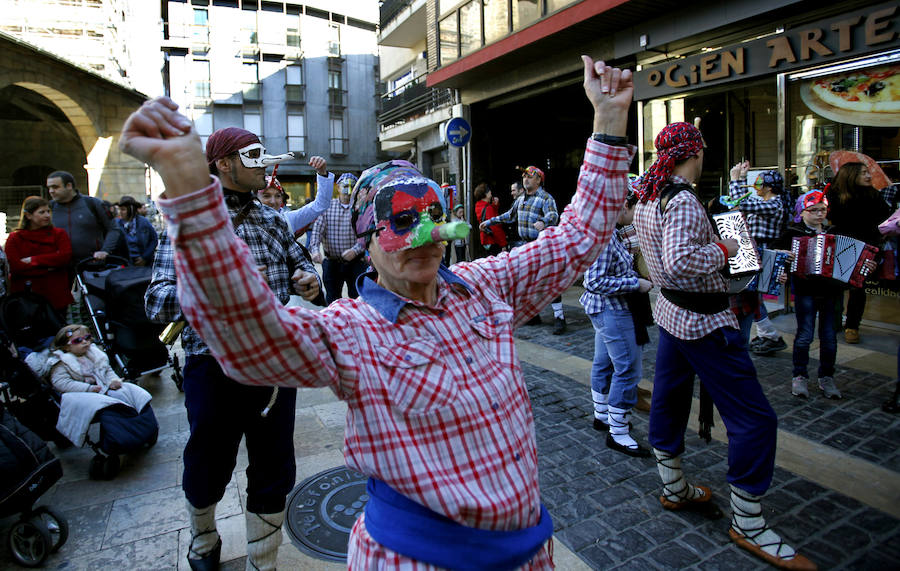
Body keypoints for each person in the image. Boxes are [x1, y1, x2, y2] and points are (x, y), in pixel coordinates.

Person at [120, 55, 633, 571]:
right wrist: (191, 192)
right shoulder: (352, 330)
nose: (425, 236)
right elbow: (251, 336)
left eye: (436, 217)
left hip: (528, 554)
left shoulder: (485, 288)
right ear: (368, 241)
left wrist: (608, 123)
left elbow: (578, 237)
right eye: (401, 221)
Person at [632, 121, 815, 570]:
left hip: (671, 315)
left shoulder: (649, 195)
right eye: (702, 152)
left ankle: (673, 486)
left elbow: (652, 253)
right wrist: (726, 248)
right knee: (754, 418)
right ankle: (748, 523)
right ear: (692, 154)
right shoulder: (685, 201)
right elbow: (679, 264)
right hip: (705, 321)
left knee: (669, 400)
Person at [145, 126, 324, 571]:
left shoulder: (269, 218)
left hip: (275, 361)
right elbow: (155, 299)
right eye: (253, 155)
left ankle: (263, 562)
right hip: (213, 362)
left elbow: (302, 264)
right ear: (224, 164)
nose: (263, 163)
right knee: (207, 461)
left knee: (275, 464)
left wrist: (311, 281)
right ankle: (204, 541)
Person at [774, 190, 874, 400]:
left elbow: (855, 258)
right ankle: (799, 375)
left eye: (822, 210)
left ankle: (826, 376)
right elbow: (775, 258)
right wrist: (783, 262)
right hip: (805, 291)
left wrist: (866, 265)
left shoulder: (835, 233)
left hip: (831, 292)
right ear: (801, 212)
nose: (819, 214)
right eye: (813, 210)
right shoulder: (792, 234)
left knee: (829, 338)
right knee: (804, 336)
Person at [580, 190, 653, 457]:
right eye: (633, 209)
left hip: (607, 310)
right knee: (628, 368)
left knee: (604, 362)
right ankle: (618, 432)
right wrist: (636, 283)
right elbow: (594, 281)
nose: (634, 216)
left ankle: (603, 415)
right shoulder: (606, 235)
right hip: (612, 309)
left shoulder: (608, 231)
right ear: (622, 205)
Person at [480, 165, 567, 334]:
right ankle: (534, 315)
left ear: (539, 179)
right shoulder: (520, 200)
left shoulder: (545, 198)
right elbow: (509, 215)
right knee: (529, 281)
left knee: (550, 281)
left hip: (542, 245)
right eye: (524, 177)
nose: (525, 179)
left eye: (529, 176)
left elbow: (554, 215)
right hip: (525, 246)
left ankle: (559, 317)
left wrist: (544, 222)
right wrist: (490, 221)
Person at [728, 163, 791, 355]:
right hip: (755, 251)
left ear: (769, 187)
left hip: (762, 252)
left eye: (759, 183)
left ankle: (770, 335)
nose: (756, 185)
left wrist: (736, 180)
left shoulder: (774, 203)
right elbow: (739, 206)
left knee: (752, 296)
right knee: (753, 297)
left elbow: (743, 203)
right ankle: (769, 334)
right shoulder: (769, 203)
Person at [826, 161, 892, 344]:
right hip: (840, 246)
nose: (868, 176)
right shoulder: (833, 194)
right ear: (851, 175)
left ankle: (852, 326)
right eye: (864, 173)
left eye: (868, 172)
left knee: (858, 288)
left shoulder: (874, 195)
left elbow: (885, 221)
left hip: (867, 247)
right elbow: (827, 218)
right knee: (835, 286)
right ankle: (834, 320)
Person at [5, 196, 73, 316]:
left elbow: (64, 257)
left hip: (55, 293)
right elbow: (16, 267)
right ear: (29, 215)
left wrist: (33, 260)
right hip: (27, 296)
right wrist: (50, 267)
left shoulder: (59, 234)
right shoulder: (15, 238)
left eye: (48, 211)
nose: (47, 215)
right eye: (41, 212)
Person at [309, 172, 367, 304]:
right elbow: (317, 231)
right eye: (345, 185)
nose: (348, 189)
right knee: (332, 297)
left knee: (358, 298)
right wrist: (315, 250)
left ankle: (358, 322)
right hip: (332, 262)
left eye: (352, 186)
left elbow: (365, 234)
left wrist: (356, 250)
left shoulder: (360, 208)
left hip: (356, 262)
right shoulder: (327, 207)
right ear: (338, 187)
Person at [47, 170, 124, 265]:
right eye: (49, 187)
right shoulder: (49, 208)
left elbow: (113, 229)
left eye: (55, 187)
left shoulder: (93, 204)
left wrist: (105, 250)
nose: (51, 191)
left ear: (69, 186)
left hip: (92, 264)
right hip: (61, 266)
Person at [116, 196, 158, 267]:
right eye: (120, 210)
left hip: (145, 263)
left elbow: (154, 240)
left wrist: (144, 258)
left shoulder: (143, 222)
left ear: (131, 210)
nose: (120, 212)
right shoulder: (117, 225)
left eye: (123, 210)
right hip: (126, 264)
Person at [474, 183, 507, 257]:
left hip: (485, 240)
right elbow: (495, 226)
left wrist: (494, 206)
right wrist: (503, 244)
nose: (491, 193)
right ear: (485, 194)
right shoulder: (488, 208)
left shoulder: (479, 205)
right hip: (493, 240)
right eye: (489, 191)